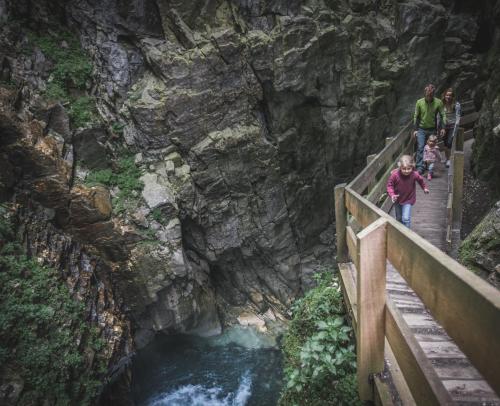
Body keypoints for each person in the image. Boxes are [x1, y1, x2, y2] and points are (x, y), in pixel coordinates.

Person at [387, 155, 429, 228]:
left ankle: (407, 234)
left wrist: (424, 188)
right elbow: (389, 185)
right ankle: (400, 232)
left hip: (408, 199)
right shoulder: (394, 175)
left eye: (409, 169)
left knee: (406, 219)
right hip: (398, 199)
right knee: (399, 219)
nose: (406, 171)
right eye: (404, 169)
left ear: (412, 167)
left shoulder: (414, 174)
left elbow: (420, 180)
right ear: (400, 167)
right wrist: (392, 194)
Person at [413, 84, 446, 174]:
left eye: (431, 95)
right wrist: (415, 129)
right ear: (425, 94)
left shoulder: (438, 102)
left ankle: (429, 165)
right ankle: (420, 167)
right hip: (421, 129)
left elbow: (443, 115)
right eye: (427, 95)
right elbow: (416, 116)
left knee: (432, 148)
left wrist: (443, 127)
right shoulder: (419, 102)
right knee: (420, 147)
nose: (429, 97)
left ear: (433, 94)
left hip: (432, 129)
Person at [441, 88, 461, 167]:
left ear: (452, 97)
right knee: (445, 143)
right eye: (447, 95)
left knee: (449, 142)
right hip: (444, 126)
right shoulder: (442, 104)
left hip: (452, 126)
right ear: (444, 96)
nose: (448, 97)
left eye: (450, 95)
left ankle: (449, 159)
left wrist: (456, 127)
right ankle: (447, 158)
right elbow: (440, 115)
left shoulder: (456, 104)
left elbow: (458, 116)